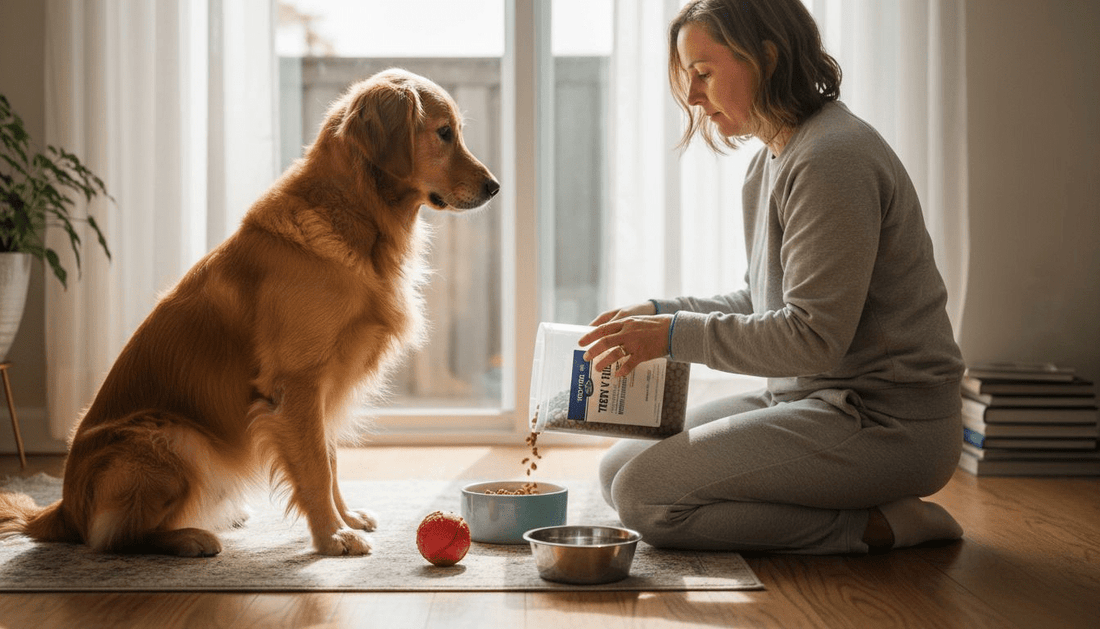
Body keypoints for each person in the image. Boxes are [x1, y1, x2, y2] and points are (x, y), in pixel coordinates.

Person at [578, 0, 965, 554]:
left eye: (704, 74)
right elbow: (763, 299)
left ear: (766, 57)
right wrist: (660, 310)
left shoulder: (832, 158)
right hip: (814, 401)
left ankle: (881, 525)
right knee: (619, 468)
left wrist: (670, 336)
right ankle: (843, 499)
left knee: (646, 498)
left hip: (889, 422)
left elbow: (811, 338)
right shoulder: (774, 158)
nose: (691, 97)